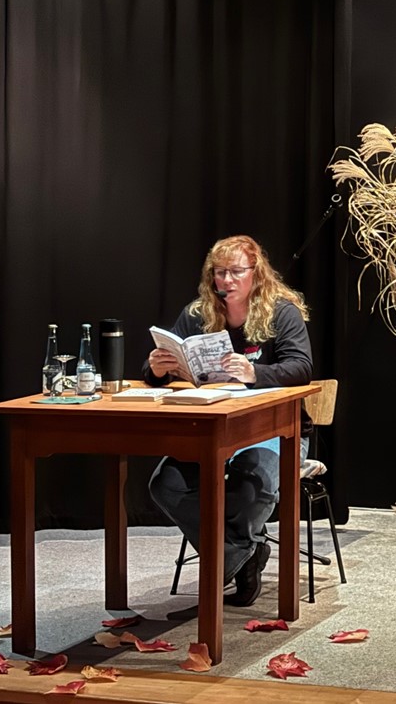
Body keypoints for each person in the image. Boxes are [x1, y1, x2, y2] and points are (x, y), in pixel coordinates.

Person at [144, 235, 313, 607]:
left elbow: (302, 367)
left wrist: (254, 372)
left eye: (236, 272)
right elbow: (161, 362)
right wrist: (156, 370)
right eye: (220, 273)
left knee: (252, 483)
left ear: (256, 274)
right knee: (166, 484)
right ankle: (245, 554)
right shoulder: (197, 313)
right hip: (214, 427)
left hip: (275, 428)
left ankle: (228, 560)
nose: (227, 281)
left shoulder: (281, 311)